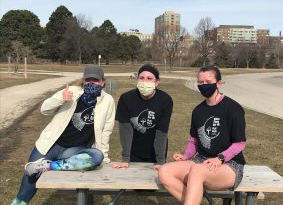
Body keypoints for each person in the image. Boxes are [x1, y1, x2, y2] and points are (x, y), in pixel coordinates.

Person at [11, 66, 116, 205]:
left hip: (74, 151)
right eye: (88, 79)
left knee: (97, 156)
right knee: (30, 177)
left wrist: (105, 156)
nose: (91, 83)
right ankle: (20, 202)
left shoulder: (107, 101)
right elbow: (44, 109)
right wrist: (61, 99)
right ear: (83, 81)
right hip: (52, 144)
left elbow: (106, 131)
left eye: (95, 80)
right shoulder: (71, 92)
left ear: (102, 82)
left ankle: (48, 166)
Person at [157, 66, 246, 205]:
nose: (204, 85)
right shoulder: (198, 111)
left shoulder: (233, 108)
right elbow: (193, 141)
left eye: (208, 81)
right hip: (201, 161)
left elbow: (240, 143)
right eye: (201, 82)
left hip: (229, 165)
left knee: (197, 171)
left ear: (218, 83)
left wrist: (220, 158)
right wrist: (185, 156)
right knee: (164, 171)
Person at [113, 63, 173, 169]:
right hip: (133, 150)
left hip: (156, 151)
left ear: (157, 82)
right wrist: (126, 159)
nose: (145, 81)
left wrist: (160, 161)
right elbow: (125, 131)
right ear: (137, 80)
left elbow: (162, 132)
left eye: (149, 78)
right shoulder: (126, 99)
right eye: (141, 78)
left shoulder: (165, 100)